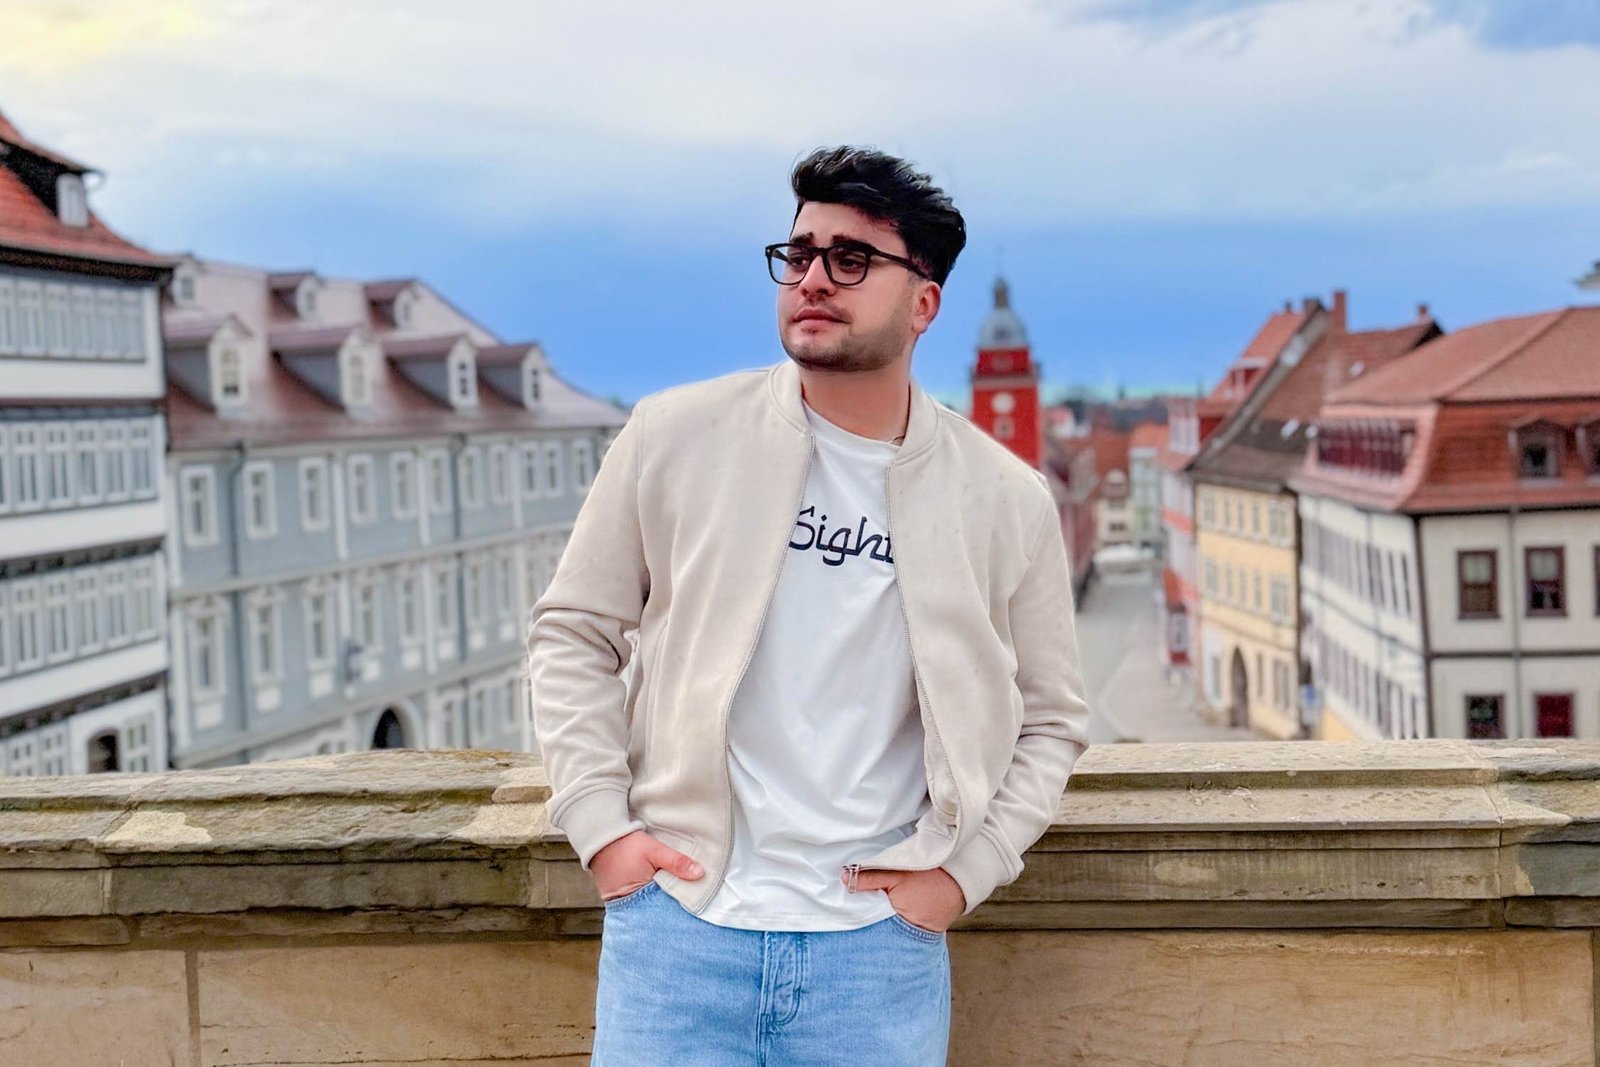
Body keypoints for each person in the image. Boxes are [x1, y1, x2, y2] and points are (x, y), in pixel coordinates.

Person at [528, 145, 1089, 1066]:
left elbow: (1057, 718)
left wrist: (961, 875)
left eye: (852, 258)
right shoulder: (673, 435)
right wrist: (604, 832)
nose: (814, 278)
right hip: (680, 935)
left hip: (877, 956)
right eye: (800, 254)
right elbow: (573, 635)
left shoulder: (1005, 497)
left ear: (924, 302)